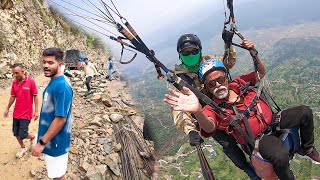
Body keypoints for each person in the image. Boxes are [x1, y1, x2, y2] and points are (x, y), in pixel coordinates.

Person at [164, 47, 320, 179]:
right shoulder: (212, 108)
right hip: (261, 138)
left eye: (221, 79)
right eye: (211, 83)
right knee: (280, 157)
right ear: (207, 87)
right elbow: (210, 127)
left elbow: (260, 73)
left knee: (305, 112)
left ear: (226, 77)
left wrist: (254, 52)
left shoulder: (239, 83)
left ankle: (307, 148)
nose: (218, 85)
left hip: (273, 120)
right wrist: (198, 111)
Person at [172, 33, 259, 179]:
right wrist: (190, 130)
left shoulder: (210, 62)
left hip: (226, 107)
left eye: (194, 51)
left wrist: (228, 44)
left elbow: (228, 62)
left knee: (244, 133)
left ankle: (260, 161)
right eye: (186, 53)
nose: (191, 54)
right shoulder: (179, 79)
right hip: (207, 117)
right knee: (228, 145)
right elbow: (179, 108)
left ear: (200, 50)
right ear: (180, 55)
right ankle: (248, 170)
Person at [32, 48, 73, 180]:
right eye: (44, 62)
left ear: (60, 64)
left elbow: (61, 119)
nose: (45, 65)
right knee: (57, 175)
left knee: (58, 176)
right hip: (51, 141)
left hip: (56, 142)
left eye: (50, 63)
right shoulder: (54, 81)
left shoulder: (62, 86)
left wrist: (41, 143)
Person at [3, 63, 39, 158]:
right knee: (16, 133)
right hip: (16, 113)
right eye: (14, 73)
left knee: (22, 134)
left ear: (23, 71)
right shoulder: (14, 82)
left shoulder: (31, 82)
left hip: (26, 114)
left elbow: (35, 96)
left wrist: (36, 111)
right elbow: (12, 96)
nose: (15, 75)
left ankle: (33, 137)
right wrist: (7, 108)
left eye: (17, 73)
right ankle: (23, 147)